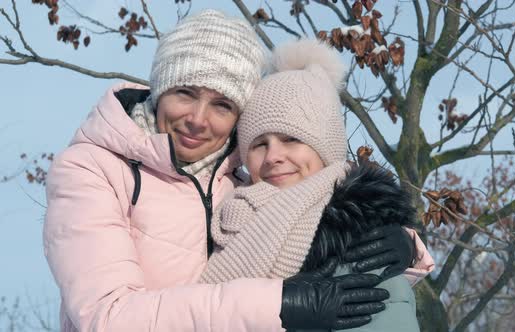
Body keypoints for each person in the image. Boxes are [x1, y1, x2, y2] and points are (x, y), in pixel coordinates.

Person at [43, 9, 432, 332]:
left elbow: (333, 222)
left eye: (222, 105)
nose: (198, 119)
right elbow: (108, 318)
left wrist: (404, 243)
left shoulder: (246, 186)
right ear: (160, 90)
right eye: (185, 93)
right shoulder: (93, 170)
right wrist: (281, 303)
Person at [199, 39, 434, 331]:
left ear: (326, 149)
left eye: (291, 139)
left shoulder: (363, 239)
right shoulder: (227, 222)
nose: (272, 157)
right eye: (260, 144)